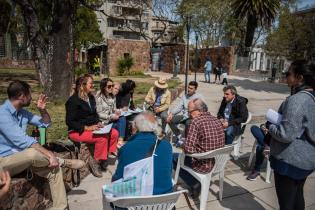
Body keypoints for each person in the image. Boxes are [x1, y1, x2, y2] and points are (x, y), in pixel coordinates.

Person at [0, 80, 85, 210]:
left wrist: (43, 110)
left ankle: (61, 207)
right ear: (21, 96)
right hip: (4, 162)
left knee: (54, 169)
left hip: (23, 159)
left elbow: (45, 124)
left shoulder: (22, 112)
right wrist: (50, 154)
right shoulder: (2, 114)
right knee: (33, 153)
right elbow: (23, 141)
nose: (31, 97)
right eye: (29, 94)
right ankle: (63, 161)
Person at [268, 60, 315, 210]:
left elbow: (285, 134)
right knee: (297, 197)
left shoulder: (298, 100)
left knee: (287, 203)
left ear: (300, 78)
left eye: (288, 74)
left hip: (290, 162)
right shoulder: (312, 96)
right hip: (307, 159)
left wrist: (270, 127)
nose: (285, 76)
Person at [65, 74, 119, 178]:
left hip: (92, 128)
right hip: (77, 131)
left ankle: (103, 157)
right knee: (102, 139)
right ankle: (95, 162)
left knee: (114, 133)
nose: (93, 85)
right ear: (82, 85)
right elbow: (70, 122)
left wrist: (98, 122)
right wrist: (86, 128)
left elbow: (94, 114)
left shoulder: (90, 97)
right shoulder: (73, 101)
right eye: (91, 83)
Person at [112, 111, 173, 195]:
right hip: (165, 201)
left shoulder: (126, 148)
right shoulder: (167, 146)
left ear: (135, 127)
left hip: (134, 203)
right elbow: (168, 172)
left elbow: (118, 178)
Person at [174, 98, 225, 198]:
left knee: (173, 157)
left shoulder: (196, 122)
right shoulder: (216, 120)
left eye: (190, 112)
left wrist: (182, 144)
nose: (189, 115)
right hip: (216, 162)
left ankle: (194, 183)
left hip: (202, 164)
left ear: (199, 111)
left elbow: (188, 149)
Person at [96, 78, 127, 150]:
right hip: (103, 121)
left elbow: (113, 109)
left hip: (110, 120)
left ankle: (120, 141)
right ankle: (117, 145)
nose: (111, 88)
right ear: (104, 87)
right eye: (109, 86)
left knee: (122, 118)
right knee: (118, 125)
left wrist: (117, 111)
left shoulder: (112, 96)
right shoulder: (99, 97)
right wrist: (110, 116)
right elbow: (98, 113)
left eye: (112, 86)